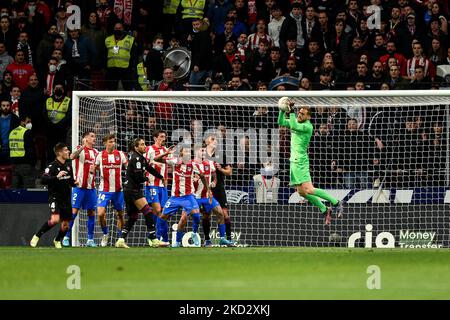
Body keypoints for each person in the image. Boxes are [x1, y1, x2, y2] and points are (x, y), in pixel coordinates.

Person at [277, 100, 343, 225]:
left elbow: (294, 126)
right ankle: (324, 209)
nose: (300, 115)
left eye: (302, 114)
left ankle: (336, 202)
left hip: (301, 161)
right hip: (293, 161)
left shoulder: (308, 126)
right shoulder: (295, 120)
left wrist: (290, 112)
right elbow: (280, 122)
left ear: (308, 116)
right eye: (299, 113)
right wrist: (282, 110)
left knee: (310, 190)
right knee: (301, 192)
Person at [115, 138, 167, 248]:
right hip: (133, 190)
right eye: (142, 145)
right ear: (136, 147)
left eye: (144, 144)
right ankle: (153, 239)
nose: (144, 146)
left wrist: (161, 177)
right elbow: (138, 177)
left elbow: (149, 168)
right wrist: (145, 179)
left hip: (129, 190)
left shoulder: (141, 158)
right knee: (148, 211)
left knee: (133, 217)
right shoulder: (137, 158)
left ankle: (121, 239)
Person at [154, 145, 211, 248]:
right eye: (186, 151)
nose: (188, 153)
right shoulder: (174, 161)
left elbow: (202, 175)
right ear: (181, 153)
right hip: (175, 197)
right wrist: (167, 153)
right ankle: (166, 241)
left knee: (197, 215)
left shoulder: (193, 165)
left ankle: (194, 233)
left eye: (189, 152)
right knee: (162, 217)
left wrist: (208, 189)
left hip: (188, 197)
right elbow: (156, 159)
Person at [30, 143, 77, 248]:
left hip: (66, 198)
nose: (68, 152)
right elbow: (43, 180)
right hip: (55, 197)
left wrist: (75, 183)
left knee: (66, 224)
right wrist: (57, 176)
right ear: (59, 153)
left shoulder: (69, 165)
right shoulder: (52, 166)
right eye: (65, 150)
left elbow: (71, 182)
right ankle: (37, 235)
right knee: (55, 219)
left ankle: (57, 240)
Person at [192, 144, 234, 246]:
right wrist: (194, 180)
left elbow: (215, 176)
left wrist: (214, 182)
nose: (203, 153)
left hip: (209, 194)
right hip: (196, 196)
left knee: (221, 214)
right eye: (201, 151)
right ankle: (203, 238)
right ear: (196, 151)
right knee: (203, 217)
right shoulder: (191, 164)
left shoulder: (210, 162)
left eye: (204, 151)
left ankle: (223, 238)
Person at [62, 131, 99, 247]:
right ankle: (66, 237)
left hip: (91, 188)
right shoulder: (80, 148)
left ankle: (90, 239)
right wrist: (82, 146)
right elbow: (71, 157)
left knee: (92, 213)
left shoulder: (96, 152)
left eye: (94, 136)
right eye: (92, 136)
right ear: (85, 138)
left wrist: (96, 168)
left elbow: (98, 167)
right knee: (73, 212)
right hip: (79, 187)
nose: (94, 138)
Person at [92, 134, 128, 247]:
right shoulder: (100, 155)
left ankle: (120, 239)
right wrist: (92, 171)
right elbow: (94, 167)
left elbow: (128, 167)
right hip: (104, 190)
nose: (113, 143)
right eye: (110, 141)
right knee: (100, 213)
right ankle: (105, 234)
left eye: (114, 141)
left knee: (120, 215)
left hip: (118, 190)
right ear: (105, 143)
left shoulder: (120, 154)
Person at [204, 133, 234, 243]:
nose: (215, 141)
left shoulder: (221, 155)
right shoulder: (201, 154)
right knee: (206, 215)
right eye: (212, 139)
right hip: (205, 189)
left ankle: (229, 239)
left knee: (225, 214)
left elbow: (229, 172)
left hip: (219, 188)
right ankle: (207, 240)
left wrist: (221, 170)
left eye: (216, 139)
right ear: (206, 141)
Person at [144, 130, 170, 243]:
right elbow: (144, 164)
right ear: (155, 138)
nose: (164, 139)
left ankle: (153, 236)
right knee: (158, 210)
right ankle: (157, 237)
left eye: (165, 137)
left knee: (162, 212)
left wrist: (166, 179)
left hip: (162, 185)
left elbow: (168, 166)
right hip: (151, 184)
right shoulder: (149, 149)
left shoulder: (166, 150)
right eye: (161, 137)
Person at [9, 114, 35, 188]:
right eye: (28, 122)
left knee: (15, 189)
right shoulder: (27, 132)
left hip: (14, 164)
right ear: (22, 122)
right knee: (29, 189)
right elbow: (31, 149)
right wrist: (33, 162)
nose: (29, 124)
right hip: (25, 164)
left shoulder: (12, 132)